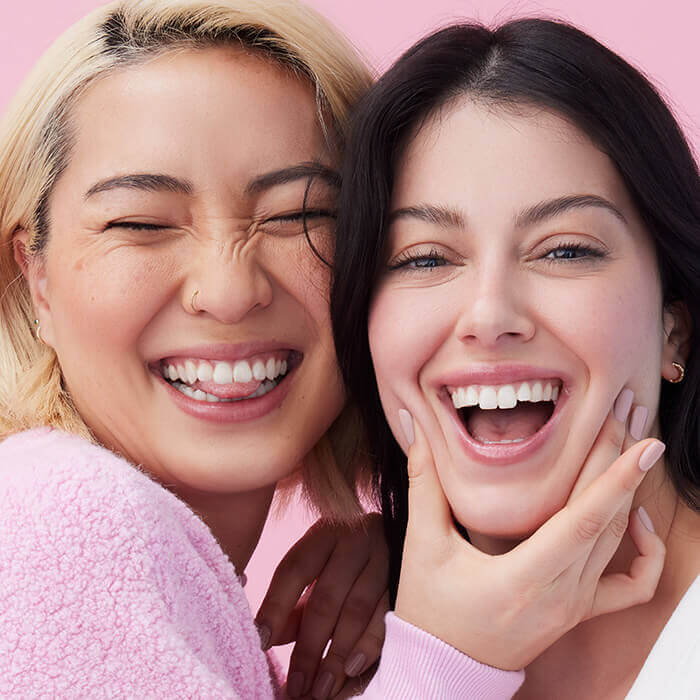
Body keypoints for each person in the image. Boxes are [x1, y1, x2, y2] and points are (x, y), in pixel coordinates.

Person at [332, 18, 699, 699]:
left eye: (565, 250)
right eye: (426, 258)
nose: (490, 316)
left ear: (675, 330)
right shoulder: (342, 666)